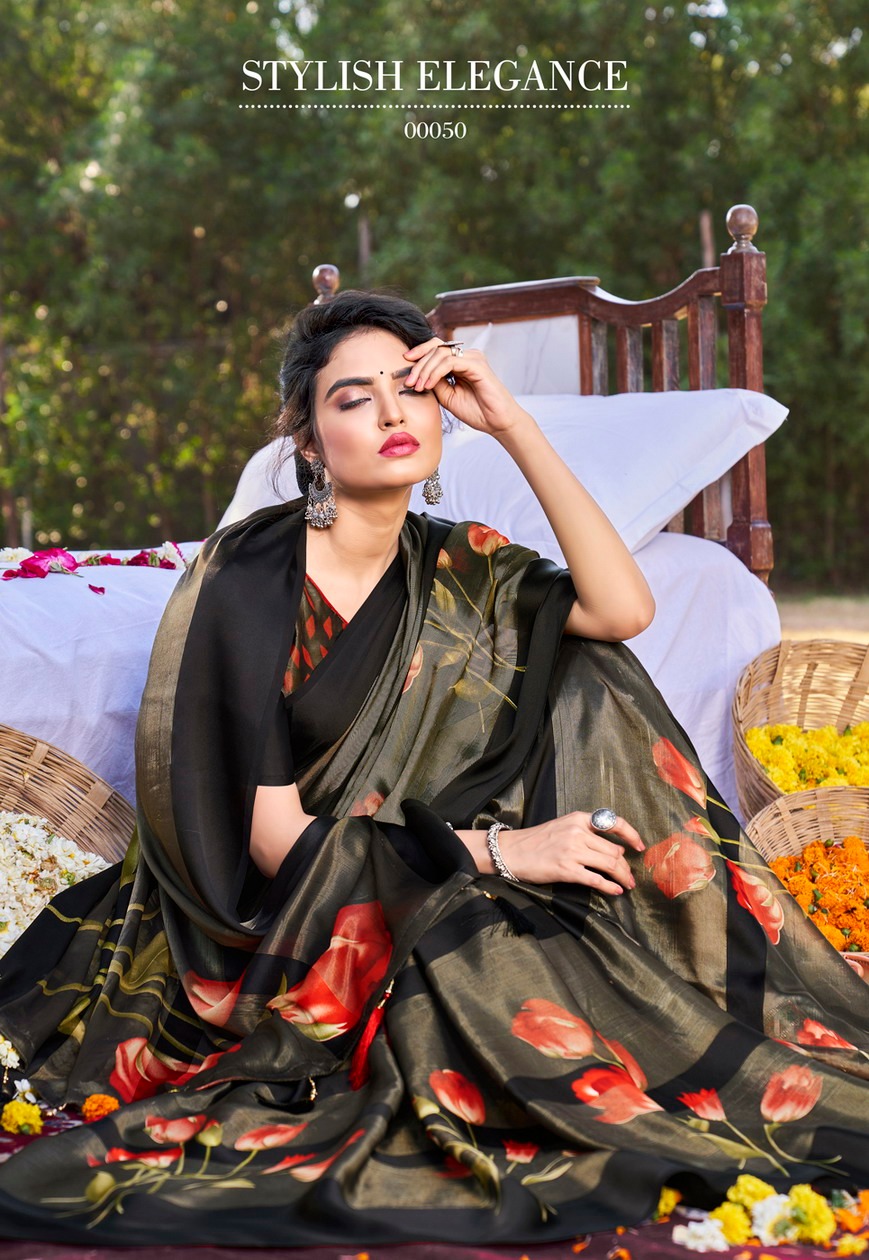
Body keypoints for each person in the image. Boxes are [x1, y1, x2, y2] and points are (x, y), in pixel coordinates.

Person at [0, 290, 865, 1247]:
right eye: (352, 398)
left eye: (409, 390)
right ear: (310, 440)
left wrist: (512, 424)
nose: (390, 414)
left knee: (583, 673)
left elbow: (621, 611)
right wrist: (502, 852)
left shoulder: (463, 567)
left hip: (422, 857)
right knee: (480, 952)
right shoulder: (252, 577)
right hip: (283, 912)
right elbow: (277, 845)